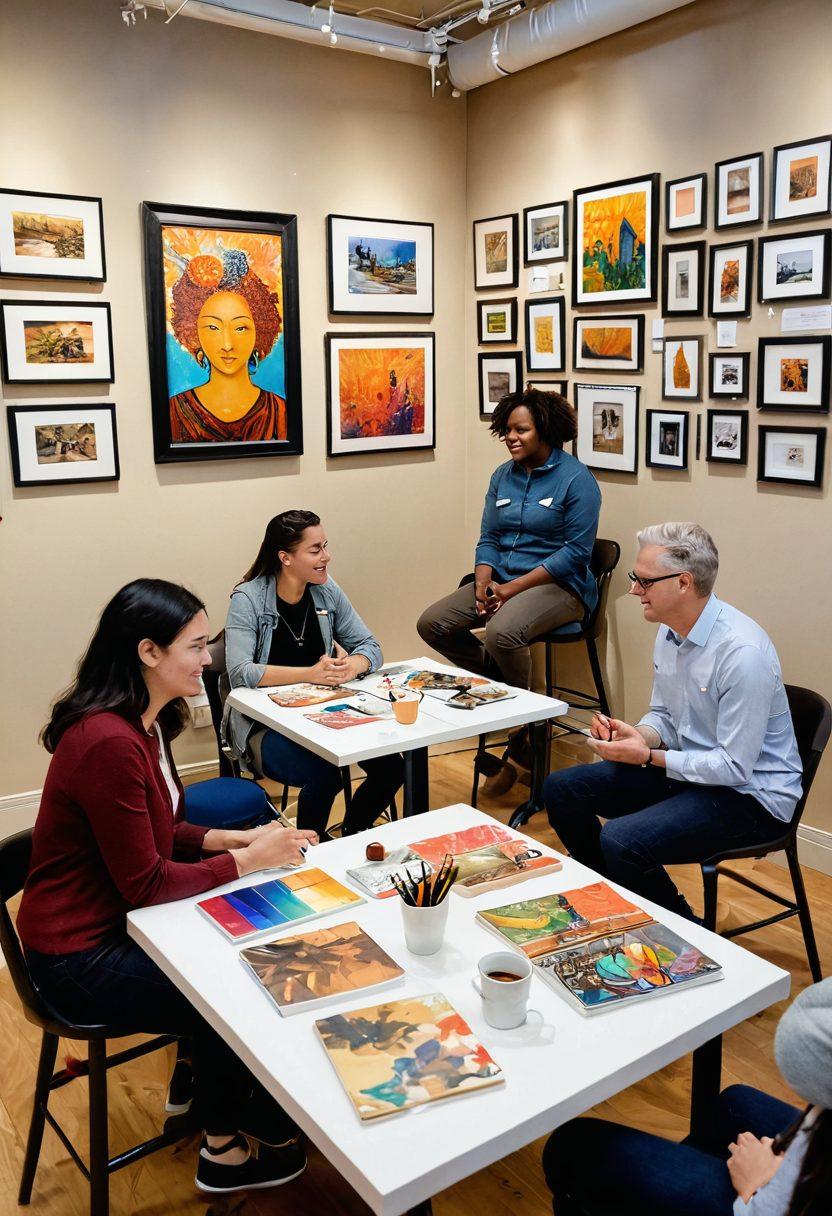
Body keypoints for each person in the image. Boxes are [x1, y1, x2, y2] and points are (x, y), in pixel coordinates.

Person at [18, 579, 317, 1195]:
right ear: (148, 652)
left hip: (112, 922)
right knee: (236, 989)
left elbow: (160, 827)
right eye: (197, 646)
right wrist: (249, 862)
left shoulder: (146, 723)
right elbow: (146, 884)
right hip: (75, 956)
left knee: (242, 955)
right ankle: (223, 1149)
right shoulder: (107, 741)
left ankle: (203, 1092)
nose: (210, 660)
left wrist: (221, 842)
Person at [544, 522, 802, 922]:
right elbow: (664, 716)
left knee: (623, 840)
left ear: (683, 582)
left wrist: (647, 756)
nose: (632, 590)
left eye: (643, 581)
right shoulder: (670, 630)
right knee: (562, 789)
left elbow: (733, 767)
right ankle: (617, 906)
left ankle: (687, 931)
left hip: (751, 797)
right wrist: (638, 734)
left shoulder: (741, 653)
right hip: (694, 771)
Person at [417, 387, 600, 788]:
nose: (511, 438)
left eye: (521, 430)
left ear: (546, 431)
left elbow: (575, 554)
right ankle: (504, 694)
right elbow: (489, 537)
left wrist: (512, 589)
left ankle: (524, 722)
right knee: (432, 623)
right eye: (507, 431)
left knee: (503, 631)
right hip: (501, 580)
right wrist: (484, 579)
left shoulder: (577, 481)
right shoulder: (503, 476)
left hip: (560, 587)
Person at [543, 976, 832, 1215]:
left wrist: (758, 1186)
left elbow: (803, 1034)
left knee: (573, 1144)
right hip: (811, 1155)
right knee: (736, 1104)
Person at [224, 510, 403, 836]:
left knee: (393, 767)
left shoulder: (325, 589)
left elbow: (369, 646)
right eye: (315, 549)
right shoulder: (248, 598)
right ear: (285, 557)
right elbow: (240, 673)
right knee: (325, 775)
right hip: (265, 727)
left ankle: (350, 836)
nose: (326, 556)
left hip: (326, 715)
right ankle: (308, 852)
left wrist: (352, 666)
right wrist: (310, 673)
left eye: (325, 546)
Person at [167, 247, 287, 444]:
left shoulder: (279, 411)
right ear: (193, 333)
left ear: (260, 332)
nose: (227, 344)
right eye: (213, 327)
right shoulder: (175, 411)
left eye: (240, 328)